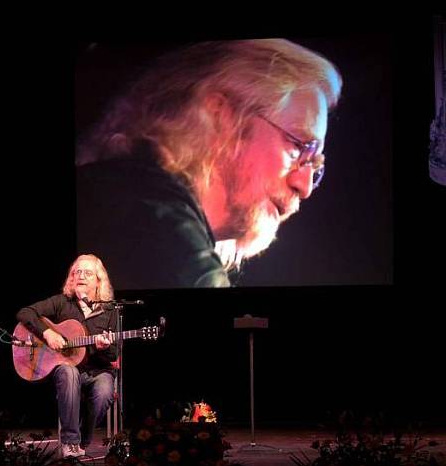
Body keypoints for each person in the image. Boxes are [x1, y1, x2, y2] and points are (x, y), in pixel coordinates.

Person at [76, 39, 343, 289]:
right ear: (222, 117)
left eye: (314, 165)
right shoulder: (161, 237)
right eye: (298, 147)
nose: (304, 186)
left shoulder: (122, 197)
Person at [16, 254, 117, 459]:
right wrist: (47, 333)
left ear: (98, 280)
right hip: (68, 368)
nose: (80, 275)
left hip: (98, 370)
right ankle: (71, 443)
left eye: (87, 273)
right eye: (76, 272)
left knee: (105, 390)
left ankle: (82, 438)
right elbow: (25, 313)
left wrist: (102, 347)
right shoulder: (61, 302)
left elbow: (113, 353)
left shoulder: (110, 311)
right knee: (69, 372)